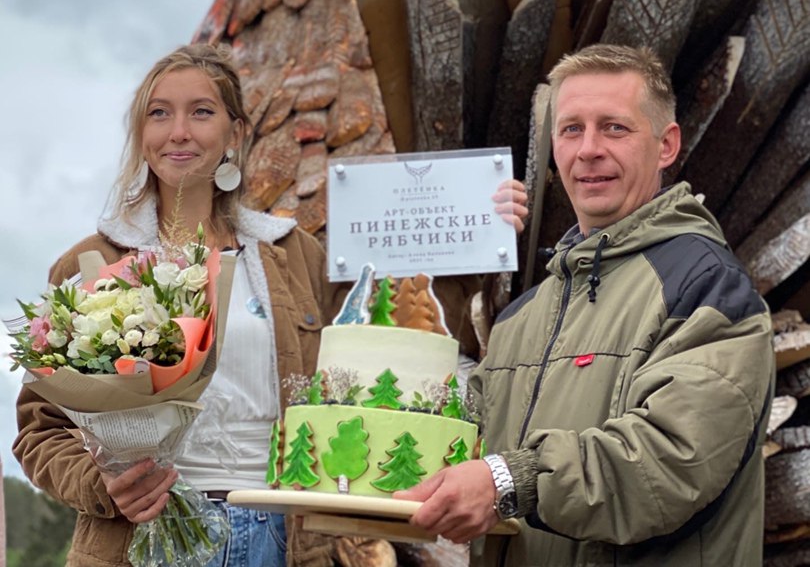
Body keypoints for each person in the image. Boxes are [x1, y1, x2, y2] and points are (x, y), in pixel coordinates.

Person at [14, 42, 528, 567]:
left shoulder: (295, 255)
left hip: (284, 539)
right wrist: (103, 484)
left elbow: (389, 338)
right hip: (141, 537)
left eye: (202, 112)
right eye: (159, 113)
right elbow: (41, 428)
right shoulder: (89, 263)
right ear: (141, 134)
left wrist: (480, 235)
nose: (179, 132)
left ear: (235, 134)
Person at [398, 43, 775, 566]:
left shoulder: (707, 288)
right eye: (571, 129)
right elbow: (457, 437)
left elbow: (671, 463)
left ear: (666, 146)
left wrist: (514, 480)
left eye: (615, 128)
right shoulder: (521, 317)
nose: (589, 149)